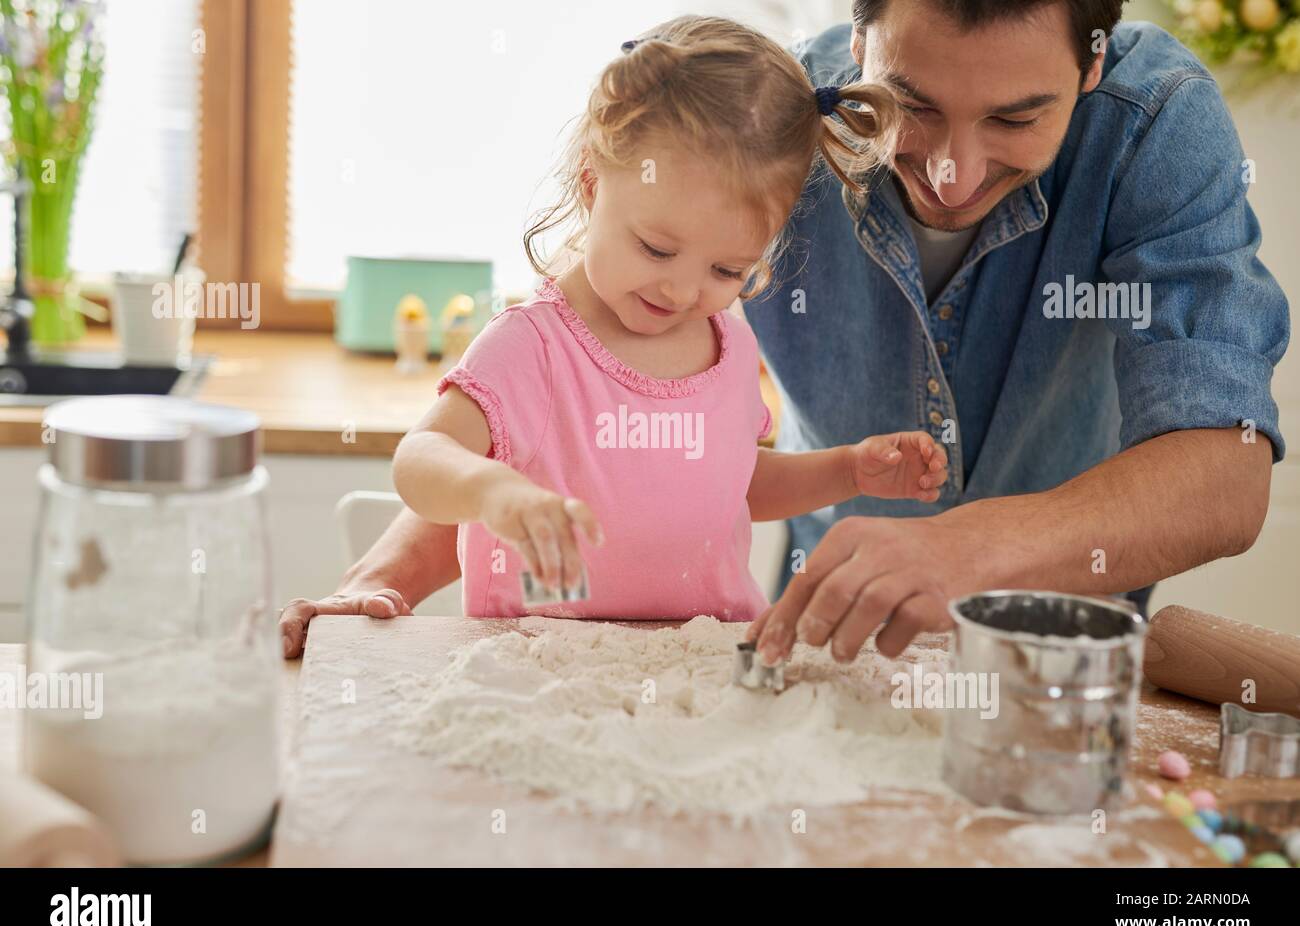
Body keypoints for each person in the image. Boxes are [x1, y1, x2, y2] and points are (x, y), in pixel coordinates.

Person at [282, 1, 1288, 664]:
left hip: (1055, 658)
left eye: (1018, 119)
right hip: (817, 649)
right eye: (914, 108)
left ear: (1093, 60)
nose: (950, 171)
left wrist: (965, 545)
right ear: (859, 46)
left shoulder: (1155, 126)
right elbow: (537, 405)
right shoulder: (766, 119)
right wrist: (381, 583)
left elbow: (1224, 470)